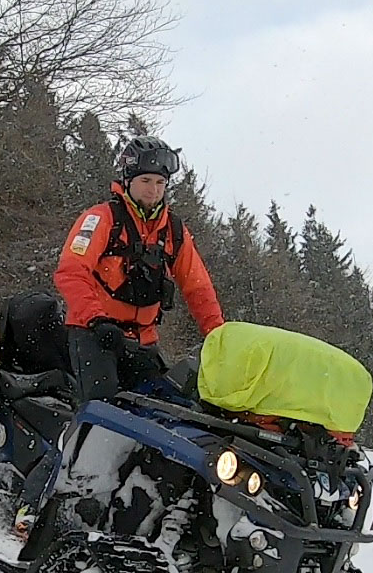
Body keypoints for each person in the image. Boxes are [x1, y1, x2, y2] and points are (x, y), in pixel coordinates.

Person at [14, 135, 226, 535]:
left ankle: (137, 510)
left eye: (161, 183)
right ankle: (33, 504)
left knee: (166, 414)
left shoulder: (174, 233)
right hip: (93, 334)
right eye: (147, 181)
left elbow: (198, 288)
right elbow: (71, 271)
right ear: (128, 180)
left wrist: (219, 336)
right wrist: (95, 319)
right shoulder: (101, 219)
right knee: (96, 418)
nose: (154, 190)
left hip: (141, 340)